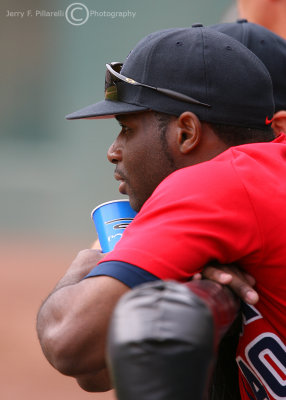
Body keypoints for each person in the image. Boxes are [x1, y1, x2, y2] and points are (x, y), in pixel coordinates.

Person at [37, 25, 286, 399]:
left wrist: (88, 264)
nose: (114, 150)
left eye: (126, 128)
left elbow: (68, 340)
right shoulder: (265, 173)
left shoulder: (220, 183)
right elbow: (97, 370)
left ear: (186, 132)